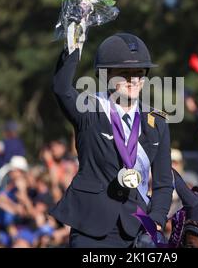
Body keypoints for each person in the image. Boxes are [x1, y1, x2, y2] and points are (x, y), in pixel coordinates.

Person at [50, 33, 173, 247]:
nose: (133, 80)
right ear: (106, 75)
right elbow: (61, 88)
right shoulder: (89, 110)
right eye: (124, 74)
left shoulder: (157, 122)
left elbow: (163, 183)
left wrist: (156, 222)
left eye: (139, 73)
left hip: (137, 228)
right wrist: (74, 43)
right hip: (91, 227)